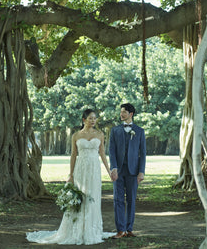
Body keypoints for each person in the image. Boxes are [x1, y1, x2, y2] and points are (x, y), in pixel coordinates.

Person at [26, 109, 115, 245]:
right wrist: (71, 174)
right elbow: (73, 155)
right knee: (80, 197)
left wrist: (109, 171)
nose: (93, 121)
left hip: (94, 169)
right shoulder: (76, 135)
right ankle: (76, 229)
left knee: (93, 197)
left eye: (95, 118)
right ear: (84, 120)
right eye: (90, 118)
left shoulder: (100, 134)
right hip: (81, 168)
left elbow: (102, 153)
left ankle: (91, 230)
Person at [109, 103, 146, 238]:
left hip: (133, 171)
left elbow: (143, 153)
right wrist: (113, 168)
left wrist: (141, 171)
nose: (121, 114)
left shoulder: (139, 131)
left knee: (131, 199)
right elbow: (111, 151)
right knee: (118, 199)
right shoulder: (115, 130)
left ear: (131, 114)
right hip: (118, 170)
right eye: (121, 112)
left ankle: (129, 229)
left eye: (123, 112)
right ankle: (120, 230)